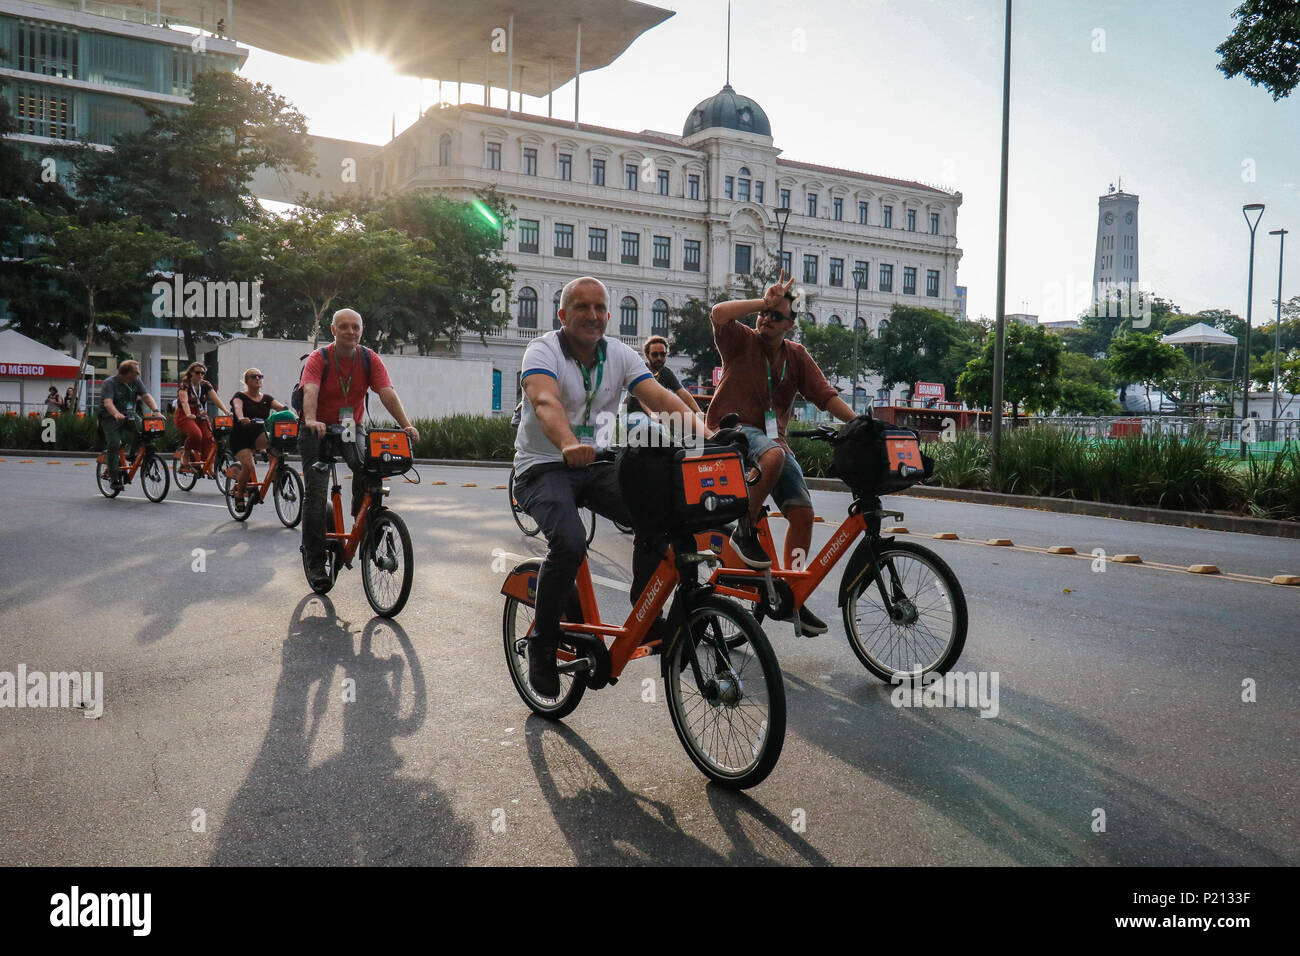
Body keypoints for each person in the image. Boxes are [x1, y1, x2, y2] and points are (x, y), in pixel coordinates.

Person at [513, 276, 710, 696]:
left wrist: (706, 437)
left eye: (600, 308)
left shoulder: (618, 353)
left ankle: (645, 606)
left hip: (597, 465)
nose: (593, 315)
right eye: (582, 308)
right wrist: (567, 443)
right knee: (568, 543)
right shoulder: (543, 349)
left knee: (660, 513)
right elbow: (544, 401)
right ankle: (542, 645)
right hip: (543, 467)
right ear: (563, 315)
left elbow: (660, 398)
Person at [706, 272, 859, 636]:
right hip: (733, 432)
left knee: (803, 514)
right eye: (765, 313)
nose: (767, 319)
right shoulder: (740, 340)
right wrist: (764, 301)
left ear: (791, 324)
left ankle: (792, 594)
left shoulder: (796, 356)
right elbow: (718, 313)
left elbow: (826, 396)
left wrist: (860, 424)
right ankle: (744, 529)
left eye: (777, 315)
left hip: (773, 441)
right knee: (773, 456)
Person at [299, 308, 419, 591]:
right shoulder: (319, 358)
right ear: (333, 329)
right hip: (316, 427)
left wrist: (406, 425)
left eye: (355, 327)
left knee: (371, 469)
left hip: (351, 426)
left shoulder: (368, 358)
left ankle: (363, 521)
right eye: (344, 327)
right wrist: (312, 419)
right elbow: (310, 391)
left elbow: (386, 391)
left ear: (361, 330)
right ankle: (316, 561)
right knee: (315, 494)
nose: (350, 332)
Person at [98, 360, 163, 490]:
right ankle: (114, 478)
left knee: (145, 430)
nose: (138, 374)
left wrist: (156, 411)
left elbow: (146, 396)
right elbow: (108, 403)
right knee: (114, 444)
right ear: (127, 373)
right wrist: (116, 414)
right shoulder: (110, 383)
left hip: (129, 415)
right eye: (136, 372)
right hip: (109, 417)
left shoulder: (136, 382)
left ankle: (133, 454)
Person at [229, 368, 289, 507]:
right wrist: (241, 417)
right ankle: (239, 494)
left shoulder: (267, 399)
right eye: (253, 376)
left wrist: (294, 416)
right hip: (240, 438)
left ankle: (276, 477)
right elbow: (237, 408)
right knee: (249, 467)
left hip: (258, 435)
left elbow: (281, 408)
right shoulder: (240, 396)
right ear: (246, 381)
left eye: (260, 376)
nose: (258, 379)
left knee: (276, 443)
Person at [624, 335, 701, 433]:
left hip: (655, 418)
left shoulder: (666, 373)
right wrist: (654, 416)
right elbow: (643, 400)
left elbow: (683, 393)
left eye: (662, 354)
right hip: (632, 415)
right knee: (656, 429)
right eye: (655, 355)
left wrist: (699, 414)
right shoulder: (640, 371)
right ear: (647, 355)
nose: (659, 358)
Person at [174, 362, 230, 473]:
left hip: (201, 414)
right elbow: (184, 401)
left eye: (203, 373)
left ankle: (208, 465)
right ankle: (185, 456)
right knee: (196, 434)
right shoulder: (185, 385)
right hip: (185, 414)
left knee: (209, 438)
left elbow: (216, 399)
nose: (200, 375)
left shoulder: (205, 385)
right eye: (197, 372)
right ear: (191, 373)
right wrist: (189, 414)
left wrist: (226, 411)